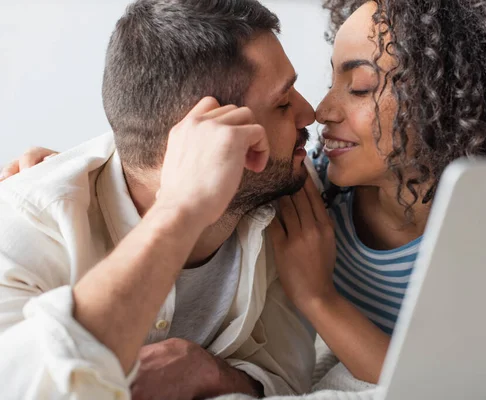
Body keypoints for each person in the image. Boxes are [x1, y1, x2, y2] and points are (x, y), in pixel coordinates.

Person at [266, 0, 486, 385]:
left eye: (359, 88)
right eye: (332, 83)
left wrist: (318, 298)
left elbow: (447, 386)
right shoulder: (319, 195)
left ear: (451, 96)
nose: (323, 110)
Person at [0, 0, 317, 399]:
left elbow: (288, 378)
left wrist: (208, 372)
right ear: (205, 134)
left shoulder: (285, 206)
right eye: (284, 103)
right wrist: (179, 210)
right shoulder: (23, 226)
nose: (311, 113)